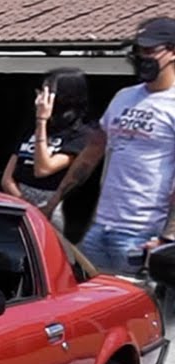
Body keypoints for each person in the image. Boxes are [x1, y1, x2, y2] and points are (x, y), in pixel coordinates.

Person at [46, 16, 175, 274]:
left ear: (172, 51)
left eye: (149, 50)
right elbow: (91, 153)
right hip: (101, 228)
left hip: (143, 233)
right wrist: (54, 201)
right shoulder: (124, 97)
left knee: (138, 299)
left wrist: (168, 238)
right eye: (138, 50)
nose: (141, 57)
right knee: (92, 294)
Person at [0, 68, 93, 231]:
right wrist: (24, 204)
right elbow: (7, 177)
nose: (41, 98)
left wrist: (42, 120)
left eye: (48, 92)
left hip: (51, 206)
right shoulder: (31, 128)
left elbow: (42, 169)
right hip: (20, 202)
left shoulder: (80, 135)